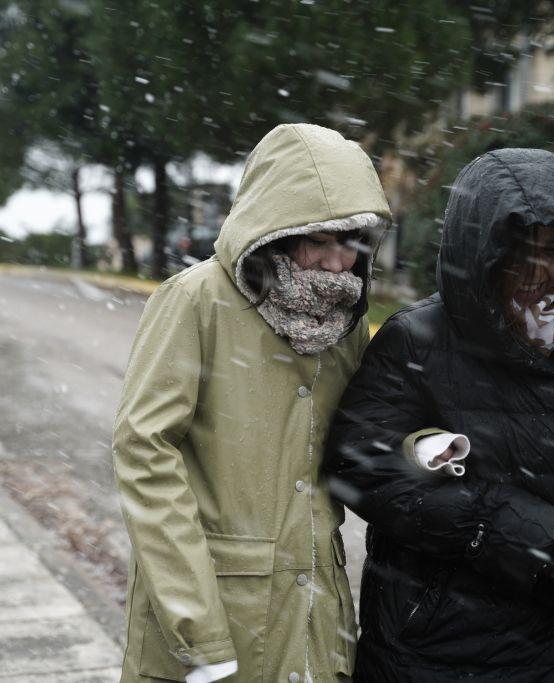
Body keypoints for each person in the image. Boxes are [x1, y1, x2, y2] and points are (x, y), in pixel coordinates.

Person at [325, 148, 554, 681]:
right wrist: (501, 528)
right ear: (480, 249)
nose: (536, 270)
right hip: (444, 647)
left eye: (552, 250)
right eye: (517, 251)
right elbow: (359, 464)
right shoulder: (417, 339)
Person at [113, 123, 392, 682]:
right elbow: (144, 451)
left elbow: (365, 434)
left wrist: (422, 444)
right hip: (215, 609)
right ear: (277, 229)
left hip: (316, 616)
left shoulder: (345, 322)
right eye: (321, 239)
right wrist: (195, 621)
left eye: (351, 242)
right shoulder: (196, 301)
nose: (339, 264)